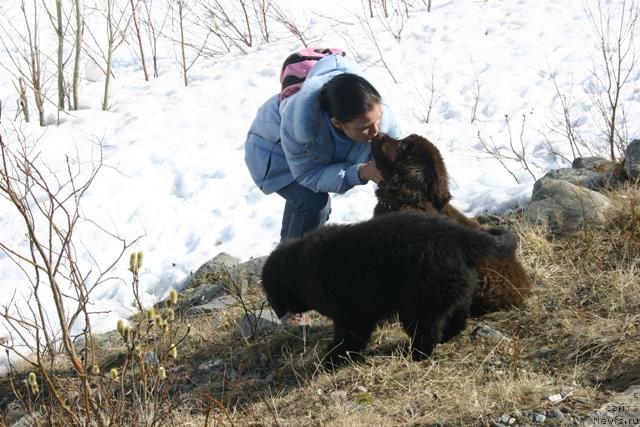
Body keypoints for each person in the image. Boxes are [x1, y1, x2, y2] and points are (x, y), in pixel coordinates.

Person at [244, 50, 402, 241]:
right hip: (273, 152)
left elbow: (394, 169)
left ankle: (286, 250)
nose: (376, 132)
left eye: (378, 119)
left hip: (316, 154)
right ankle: (293, 266)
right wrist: (360, 172)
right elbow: (306, 174)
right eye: (365, 128)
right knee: (312, 203)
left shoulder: (376, 116)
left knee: (302, 208)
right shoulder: (300, 126)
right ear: (337, 123)